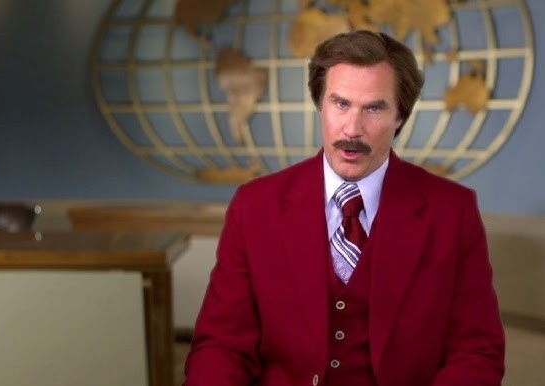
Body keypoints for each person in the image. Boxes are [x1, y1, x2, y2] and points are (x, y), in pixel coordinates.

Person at [183, 30, 505, 386]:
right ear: (320, 104)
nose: (352, 129)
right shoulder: (255, 207)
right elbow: (222, 347)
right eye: (340, 104)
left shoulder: (453, 212)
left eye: (374, 108)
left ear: (400, 116)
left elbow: (476, 351)